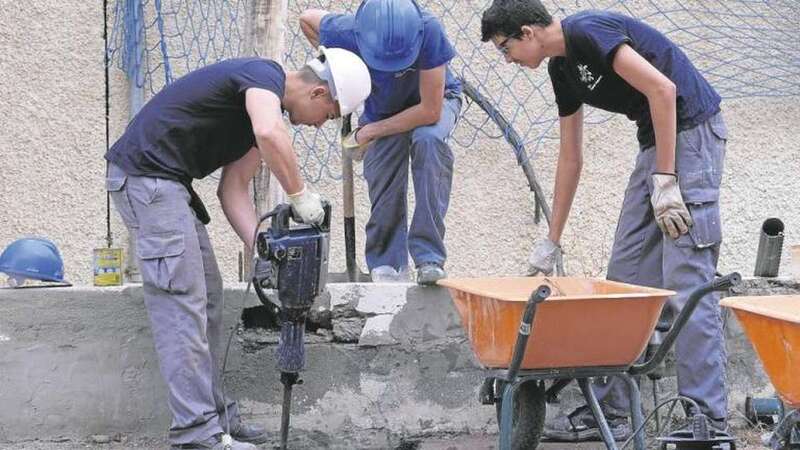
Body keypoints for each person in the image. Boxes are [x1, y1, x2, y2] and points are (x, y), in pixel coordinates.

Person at [481, 0, 729, 442]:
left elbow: (664, 92)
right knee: (626, 278)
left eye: (505, 48)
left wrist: (667, 181)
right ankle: (613, 411)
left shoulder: (588, 31)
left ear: (527, 32)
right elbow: (570, 157)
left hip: (691, 132)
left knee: (686, 276)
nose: (509, 60)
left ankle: (707, 420)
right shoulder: (561, 71)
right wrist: (551, 239)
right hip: (655, 144)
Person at [104, 48, 371, 450]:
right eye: (330, 116)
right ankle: (196, 434)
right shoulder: (262, 75)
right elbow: (269, 134)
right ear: (318, 93)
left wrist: (264, 250)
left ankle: (217, 418)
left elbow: (233, 190)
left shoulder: (261, 111)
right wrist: (299, 194)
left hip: (169, 186)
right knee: (183, 308)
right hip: (148, 180)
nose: (320, 126)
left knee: (208, 300)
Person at [299, 0, 463, 285]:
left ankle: (429, 258)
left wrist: (370, 132)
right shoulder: (347, 31)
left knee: (429, 141)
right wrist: (341, 74)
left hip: (432, 102)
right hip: (384, 109)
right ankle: (388, 264)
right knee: (383, 168)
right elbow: (307, 19)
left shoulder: (429, 30)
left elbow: (429, 111)